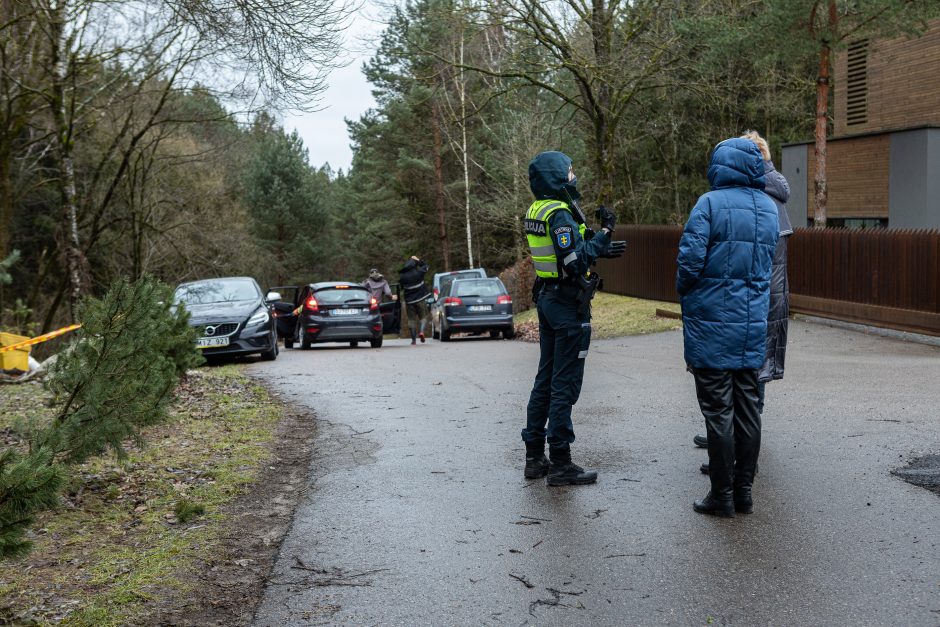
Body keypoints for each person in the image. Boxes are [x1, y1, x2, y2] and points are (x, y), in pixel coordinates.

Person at [677, 137, 779, 517]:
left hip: (710, 324)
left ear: (720, 165)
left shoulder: (708, 204)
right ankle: (744, 493)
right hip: (751, 323)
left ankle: (721, 496)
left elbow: (688, 264)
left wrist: (687, 294)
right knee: (748, 408)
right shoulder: (768, 208)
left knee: (718, 411)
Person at [520, 151, 625, 487]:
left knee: (545, 380)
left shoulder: (537, 209)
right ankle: (561, 461)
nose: (573, 176)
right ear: (555, 177)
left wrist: (598, 246)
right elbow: (573, 262)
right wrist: (605, 233)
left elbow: (562, 252)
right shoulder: (560, 214)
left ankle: (535, 456)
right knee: (564, 384)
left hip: (548, 298)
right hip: (567, 304)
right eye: (569, 172)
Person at [693, 131, 794, 474]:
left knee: (747, 386)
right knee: (748, 385)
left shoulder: (756, 200)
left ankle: (730, 458)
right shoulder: (769, 199)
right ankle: (730, 453)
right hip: (760, 301)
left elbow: (764, 265)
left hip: (755, 304)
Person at [399, 256, 431, 345]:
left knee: (411, 320)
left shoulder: (402, 277)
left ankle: (413, 340)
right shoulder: (419, 272)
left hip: (409, 302)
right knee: (423, 317)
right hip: (420, 300)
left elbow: (401, 288)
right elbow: (426, 265)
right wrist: (418, 260)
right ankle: (421, 332)